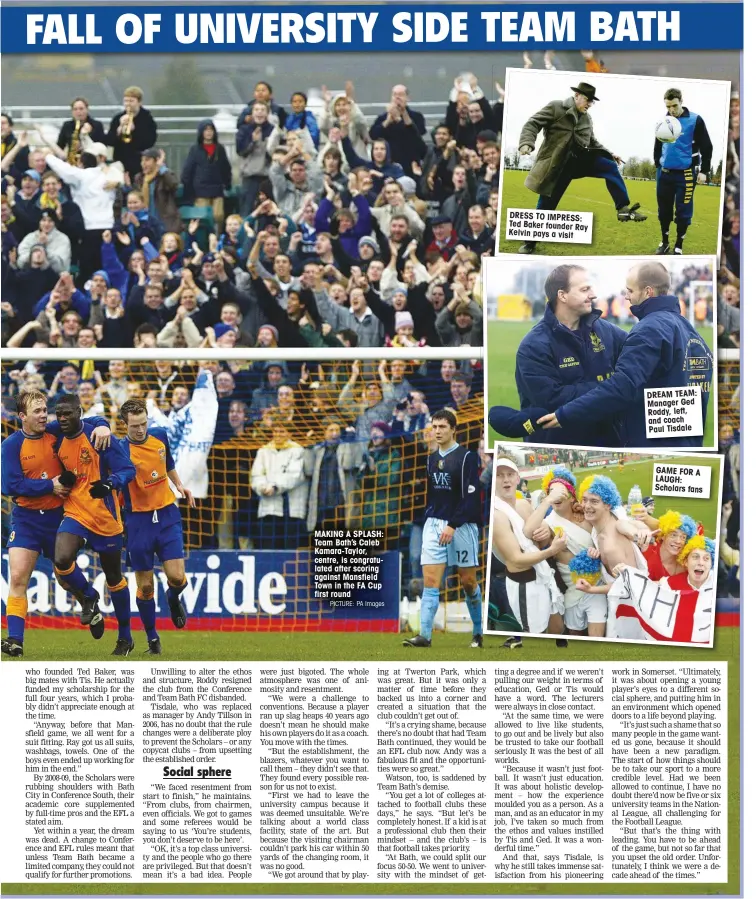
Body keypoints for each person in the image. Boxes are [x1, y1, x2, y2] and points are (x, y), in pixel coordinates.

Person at [538, 262, 714, 447]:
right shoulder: (689, 330)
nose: (626, 296)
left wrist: (565, 414)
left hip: (655, 447)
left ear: (648, 292)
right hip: (688, 444)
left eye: (630, 290)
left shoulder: (650, 329)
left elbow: (622, 387)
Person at [0, 391, 110, 657]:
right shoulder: (11, 445)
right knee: (17, 577)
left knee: (64, 578)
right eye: (36, 411)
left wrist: (104, 424)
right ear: (22, 416)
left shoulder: (54, 432)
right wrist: (50, 485)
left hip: (58, 517)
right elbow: (9, 485)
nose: (43, 415)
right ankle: (15, 640)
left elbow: (86, 420)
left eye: (43, 409)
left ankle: (88, 596)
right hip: (26, 519)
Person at [491, 264, 627, 446]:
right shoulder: (534, 346)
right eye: (585, 289)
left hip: (610, 443)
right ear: (562, 295)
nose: (593, 295)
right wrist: (613, 388)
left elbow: (638, 358)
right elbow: (553, 400)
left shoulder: (606, 331)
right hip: (559, 451)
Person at [517, 81, 647, 254]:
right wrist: (526, 143)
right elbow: (533, 123)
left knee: (609, 167)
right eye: (587, 100)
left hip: (581, 161)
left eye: (592, 102)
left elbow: (592, 141)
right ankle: (530, 242)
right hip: (558, 166)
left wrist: (610, 153)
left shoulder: (587, 118)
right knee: (547, 205)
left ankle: (622, 208)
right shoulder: (556, 107)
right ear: (576, 95)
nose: (590, 105)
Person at [52, 395, 137, 656]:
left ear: (79, 412)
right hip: (75, 512)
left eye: (68, 414)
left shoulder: (99, 436)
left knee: (114, 578)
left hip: (105, 517)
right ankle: (89, 597)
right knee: (61, 559)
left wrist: (110, 484)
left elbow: (128, 470)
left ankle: (125, 637)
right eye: (59, 414)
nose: (62, 419)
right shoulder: (56, 436)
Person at [403, 410, 484, 649]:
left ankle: (478, 632)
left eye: (442, 427)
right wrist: (435, 520)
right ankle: (424, 636)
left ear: (453, 429)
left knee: (468, 581)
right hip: (434, 524)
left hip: (462, 526)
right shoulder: (430, 459)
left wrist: (452, 524)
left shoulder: (467, 457)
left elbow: (470, 499)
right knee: (430, 580)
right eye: (434, 427)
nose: (437, 431)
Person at [120, 399, 195, 654]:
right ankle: (153, 639)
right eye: (135, 426)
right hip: (137, 521)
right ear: (125, 425)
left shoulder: (160, 435)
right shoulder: (119, 450)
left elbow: (169, 463)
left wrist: (179, 485)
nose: (140, 430)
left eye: (143, 424)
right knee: (146, 587)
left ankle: (174, 600)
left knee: (176, 577)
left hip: (166, 514)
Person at [486, 454, 566, 638]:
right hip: (524, 582)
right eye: (499, 475)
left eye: (509, 474)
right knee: (532, 635)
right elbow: (516, 559)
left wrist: (546, 532)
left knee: (557, 628)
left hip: (542, 575)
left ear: (517, 477)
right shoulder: (497, 515)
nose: (505, 479)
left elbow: (538, 542)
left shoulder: (523, 504)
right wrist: (552, 550)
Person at [523, 466, 604, 636]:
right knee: (575, 639)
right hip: (572, 592)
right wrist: (546, 502)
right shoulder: (549, 524)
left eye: (560, 491)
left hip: (596, 586)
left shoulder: (587, 516)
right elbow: (528, 532)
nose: (556, 495)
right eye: (551, 492)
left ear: (571, 495)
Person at [654, 88, 714, 255]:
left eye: (674, 105)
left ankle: (678, 245)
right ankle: (664, 242)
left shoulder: (695, 120)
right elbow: (658, 145)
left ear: (681, 101)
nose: (671, 110)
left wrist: (704, 170)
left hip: (686, 174)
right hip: (664, 174)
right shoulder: (664, 121)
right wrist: (657, 164)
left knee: (683, 211)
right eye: (668, 106)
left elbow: (707, 147)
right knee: (663, 210)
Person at [105, 86, 158, 180]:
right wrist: (119, 130)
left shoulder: (147, 119)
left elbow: (150, 142)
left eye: (131, 101)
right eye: (126, 101)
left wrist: (135, 130)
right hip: (120, 163)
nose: (128, 104)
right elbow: (109, 141)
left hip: (140, 163)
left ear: (139, 102)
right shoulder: (118, 118)